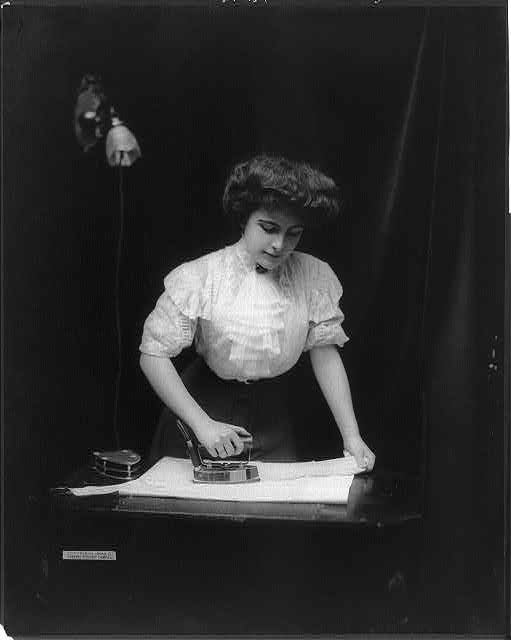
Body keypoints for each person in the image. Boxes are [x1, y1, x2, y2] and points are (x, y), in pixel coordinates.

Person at [139, 155, 375, 470]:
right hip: (201, 413)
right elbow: (152, 354)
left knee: (273, 514)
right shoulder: (201, 276)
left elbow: (325, 353)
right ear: (244, 219)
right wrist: (203, 424)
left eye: (293, 232)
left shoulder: (312, 277)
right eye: (268, 227)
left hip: (272, 420)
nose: (279, 244)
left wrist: (352, 436)